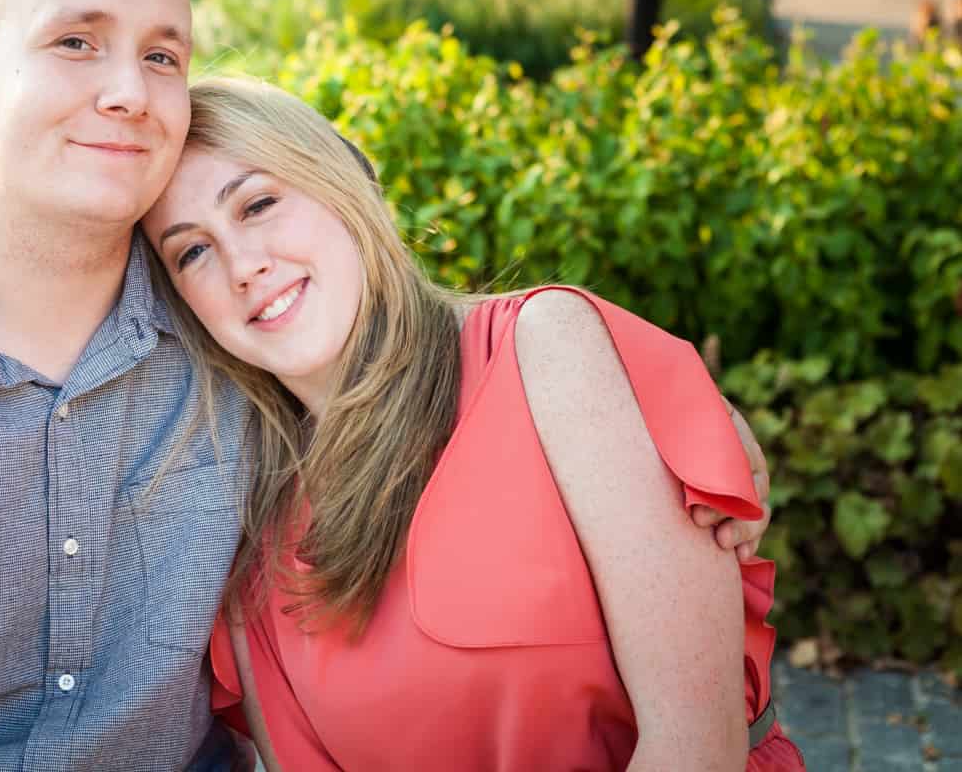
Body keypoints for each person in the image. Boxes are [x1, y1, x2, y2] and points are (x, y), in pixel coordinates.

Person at [0, 0, 772, 770]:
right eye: (75, 42)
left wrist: (674, 437)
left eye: (161, 54)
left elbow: (437, 370)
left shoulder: (230, 359)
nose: (131, 92)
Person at [140, 76, 804, 771]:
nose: (244, 266)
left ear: (345, 183)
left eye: (259, 204)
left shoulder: (544, 354)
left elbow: (696, 747)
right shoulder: (254, 544)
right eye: (192, 252)